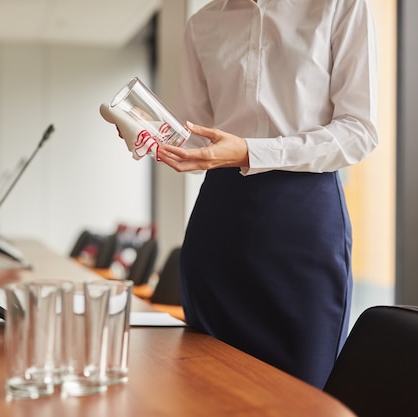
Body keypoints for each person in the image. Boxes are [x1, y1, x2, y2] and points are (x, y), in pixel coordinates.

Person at [102, 0, 377, 389]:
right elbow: (196, 134)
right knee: (208, 389)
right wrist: (150, 133)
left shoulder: (339, 6)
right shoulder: (203, 23)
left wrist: (251, 150)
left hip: (303, 223)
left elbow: (359, 131)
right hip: (219, 224)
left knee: (302, 395)